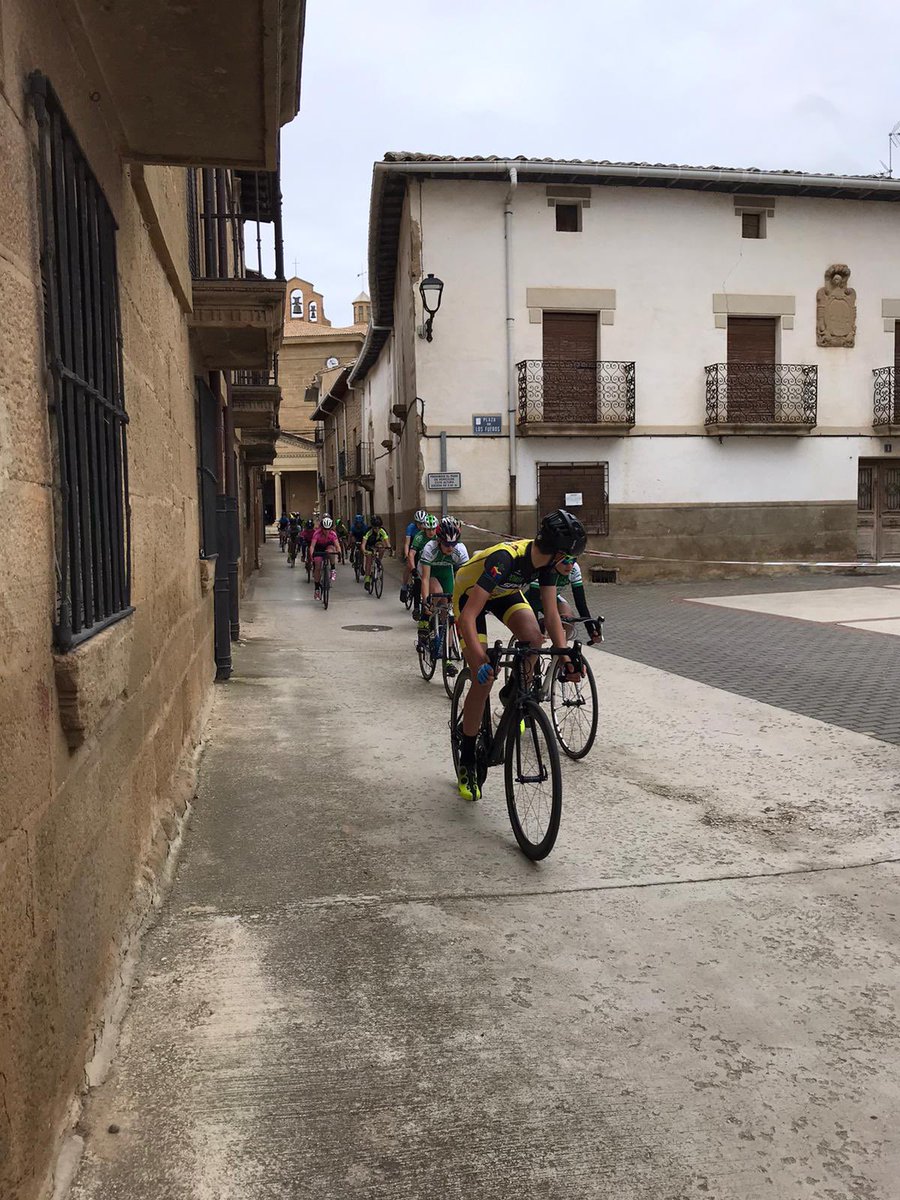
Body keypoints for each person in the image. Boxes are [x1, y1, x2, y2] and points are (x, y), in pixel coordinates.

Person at [451, 509, 586, 801]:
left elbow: (551, 614)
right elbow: (467, 617)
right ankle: (468, 756)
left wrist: (565, 658)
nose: (574, 564)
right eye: (572, 558)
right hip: (470, 595)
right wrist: (479, 657)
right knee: (482, 679)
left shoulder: (547, 565)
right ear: (559, 553)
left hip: (505, 593)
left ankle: (515, 691)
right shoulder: (505, 559)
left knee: (534, 639)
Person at [417, 516, 469, 649]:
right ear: (439, 540)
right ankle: (425, 618)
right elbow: (425, 578)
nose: (450, 548)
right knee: (437, 592)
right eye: (446, 544)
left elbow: (464, 578)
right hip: (430, 570)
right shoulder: (430, 547)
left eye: (453, 544)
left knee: (450, 607)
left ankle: (448, 646)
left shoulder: (460, 550)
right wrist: (425, 601)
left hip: (446, 570)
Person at [527, 555, 603, 645]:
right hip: (531, 599)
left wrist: (591, 631)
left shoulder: (574, 569)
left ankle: (559, 651)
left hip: (552, 598)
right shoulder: (544, 567)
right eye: (565, 561)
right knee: (535, 643)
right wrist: (537, 629)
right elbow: (533, 601)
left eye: (573, 560)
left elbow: (580, 602)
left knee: (569, 620)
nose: (569, 566)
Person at [407, 513, 437, 620]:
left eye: (433, 529)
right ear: (424, 529)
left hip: (435, 563)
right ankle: (416, 608)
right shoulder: (419, 536)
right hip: (422, 562)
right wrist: (413, 569)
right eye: (428, 529)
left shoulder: (438, 536)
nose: (431, 532)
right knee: (419, 582)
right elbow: (411, 554)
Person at [400, 509, 428, 603]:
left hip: (423, 550)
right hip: (413, 548)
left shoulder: (426, 529)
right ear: (415, 522)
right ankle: (404, 587)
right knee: (409, 566)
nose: (421, 526)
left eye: (422, 523)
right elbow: (407, 544)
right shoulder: (411, 528)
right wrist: (407, 555)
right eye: (419, 523)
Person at [310, 516, 341, 599]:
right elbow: (312, 546)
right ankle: (317, 589)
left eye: (328, 529)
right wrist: (312, 555)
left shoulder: (333, 534)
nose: (326, 531)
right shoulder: (317, 533)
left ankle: (333, 569)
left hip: (328, 546)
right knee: (317, 565)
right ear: (321, 528)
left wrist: (339, 553)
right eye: (324, 529)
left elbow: (337, 546)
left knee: (331, 550)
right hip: (318, 548)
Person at [362, 516, 391, 592]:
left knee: (382, 547)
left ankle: (378, 561)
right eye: (375, 528)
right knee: (369, 559)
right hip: (369, 545)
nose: (377, 530)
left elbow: (387, 542)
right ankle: (367, 579)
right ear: (372, 527)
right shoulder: (368, 531)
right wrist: (364, 551)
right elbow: (363, 545)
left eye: (379, 528)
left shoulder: (382, 530)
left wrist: (388, 547)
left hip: (377, 543)